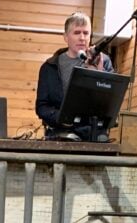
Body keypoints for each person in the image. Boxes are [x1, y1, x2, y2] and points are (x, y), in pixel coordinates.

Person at [35, 12, 114, 140]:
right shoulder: (49, 67)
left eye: (86, 33)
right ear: (66, 37)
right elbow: (42, 107)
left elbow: (110, 103)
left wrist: (98, 73)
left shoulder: (103, 61)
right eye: (77, 33)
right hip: (60, 133)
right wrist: (62, 118)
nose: (82, 38)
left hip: (94, 134)